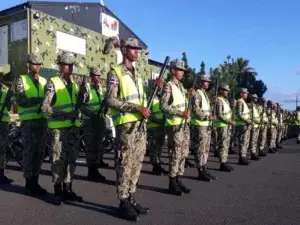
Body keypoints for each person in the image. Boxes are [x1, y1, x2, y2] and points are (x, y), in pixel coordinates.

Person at [106, 38, 162, 221]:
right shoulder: (115, 73)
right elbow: (111, 100)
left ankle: (131, 197)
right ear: (124, 50)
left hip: (140, 127)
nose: (137, 52)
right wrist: (136, 109)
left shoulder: (138, 74)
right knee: (124, 164)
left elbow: (141, 100)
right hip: (126, 127)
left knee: (136, 164)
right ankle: (123, 202)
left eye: (138, 49)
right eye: (133, 49)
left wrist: (156, 89)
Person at [41, 53, 82, 205]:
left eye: (72, 65)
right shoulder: (53, 83)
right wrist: (63, 115)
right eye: (67, 65)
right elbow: (45, 108)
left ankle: (68, 189)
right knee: (58, 160)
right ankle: (58, 191)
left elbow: (77, 104)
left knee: (72, 161)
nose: (70, 68)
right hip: (58, 129)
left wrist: (83, 96)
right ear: (60, 65)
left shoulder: (74, 83)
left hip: (73, 129)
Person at [14, 53, 47, 196]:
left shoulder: (44, 81)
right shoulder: (21, 80)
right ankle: (29, 182)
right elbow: (20, 100)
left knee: (39, 154)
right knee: (29, 152)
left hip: (42, 121)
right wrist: (39, 100)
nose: (37, 67)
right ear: (28, 65)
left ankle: (36, 181)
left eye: (39, 64)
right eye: (34, 64)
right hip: (28, 123)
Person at [160, 59, 192, 196]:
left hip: (183, 125)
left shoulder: (180, 87)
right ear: (173, 71)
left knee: (183, 153)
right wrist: (180, 113)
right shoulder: (169, 86)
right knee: (175, 153)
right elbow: (163, 106)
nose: (182, 73)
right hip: (174, 125)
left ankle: (178, 178)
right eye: (180, 70)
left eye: (183, 71)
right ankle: (172, 181)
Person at [81, 66, 107, 182]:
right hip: (90, 121)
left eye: (99, 76)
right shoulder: (86, 88)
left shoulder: (101, 89)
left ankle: (97, 166)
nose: (97, 78)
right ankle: (92, 171)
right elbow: (81, 105)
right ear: (91, 76)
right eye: (95, 76)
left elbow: (103, 102)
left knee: (99, 145)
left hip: (100, 120)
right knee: (91, 146)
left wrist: (105, 108)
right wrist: (92, 115)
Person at [190, 74, 217, 181]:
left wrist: (211, 104)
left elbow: (205, 108)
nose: (207, 83)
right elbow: (196, 110)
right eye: (205, 81)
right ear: (200, 82)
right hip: (200, 125)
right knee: (200, 149)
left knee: (205, 149)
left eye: (208, 81)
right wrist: (208, 117)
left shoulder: (204, 94)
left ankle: (204, 168)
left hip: (206, 126)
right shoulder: (197, 94)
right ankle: (200, 171)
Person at [146, 87, 167, 176]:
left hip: (161, 127)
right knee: (153, 149)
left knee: (159, 148)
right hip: (153, 127)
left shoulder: (162, 99)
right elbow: (148, 113)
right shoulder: (151, 99)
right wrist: (158, 121)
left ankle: (158, 165)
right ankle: (155, 167)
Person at [214, 84, 235, 172]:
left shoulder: (225, 100)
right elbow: (219, 114)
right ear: (221, 91)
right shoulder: (219, 100)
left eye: (227, 90)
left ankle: (224, 161)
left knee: (225, 145)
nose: (227, 92)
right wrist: (229, 122)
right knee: (223, 145)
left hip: (226, 126)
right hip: (222, 125)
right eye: (225, 90)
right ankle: (222, 163)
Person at [0, 71, 14, 184]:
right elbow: (9, 107)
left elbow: (9, 108)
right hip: (3, 123)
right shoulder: (6, 90)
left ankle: (1, 174)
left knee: (2, 150)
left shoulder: (7, 91)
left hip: (3, 123)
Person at [235, 88, 252, 165]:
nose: (246, 94)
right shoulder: (240, 102)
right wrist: (246, 120)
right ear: (241, 94)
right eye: (245, 93)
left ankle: (243, 157)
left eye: (246, 93)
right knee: (243, 141)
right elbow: (239, 114)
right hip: (242, 124)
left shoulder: (243, 102)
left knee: (245, 141)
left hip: (245, 124)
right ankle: (242, 158)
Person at [248, 94, 260, 160]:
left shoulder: (255, 106)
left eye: (256, 98)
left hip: (256, 125)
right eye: (254, 98)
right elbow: (250, 116)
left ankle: (254, 152)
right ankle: (252, 153)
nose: (256, 99)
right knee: (252, 140)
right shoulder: (250, 105)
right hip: (253, 125)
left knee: (255, 140)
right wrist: (255, 121)